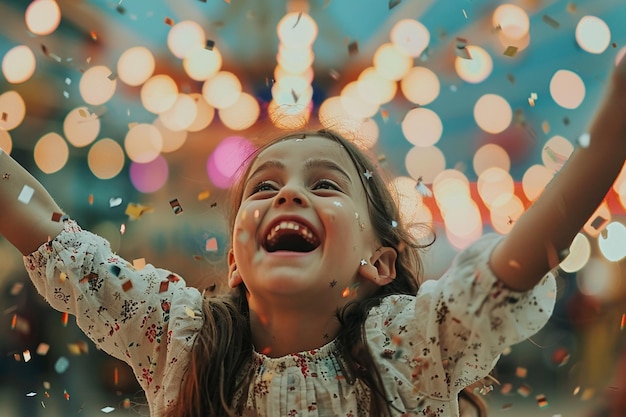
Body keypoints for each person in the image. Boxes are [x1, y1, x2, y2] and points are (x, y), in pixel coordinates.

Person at [1, 55, 625, 417]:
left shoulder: (408, 351)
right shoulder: (181, 338)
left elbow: (518, 261)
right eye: (263, 188)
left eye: (325, 185)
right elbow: (57, 245)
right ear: (238, 261)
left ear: (379, 263)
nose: (288, 194)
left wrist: (617, 120)